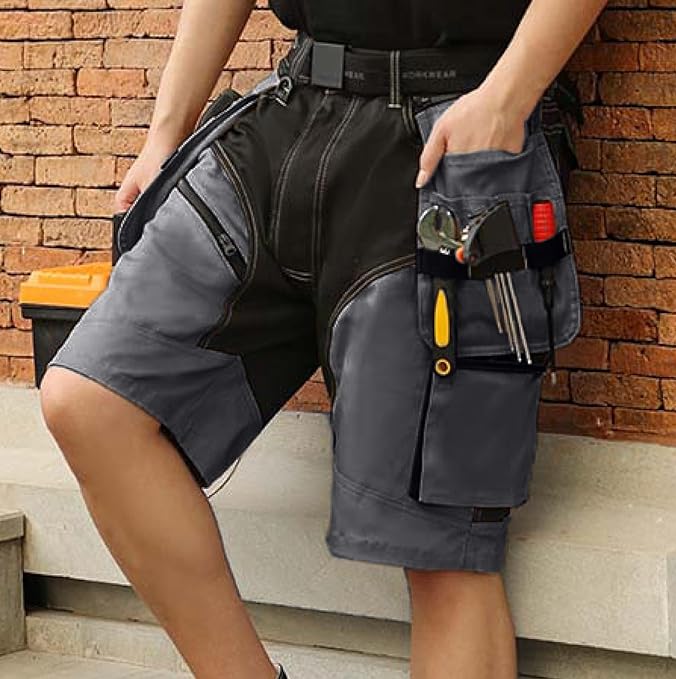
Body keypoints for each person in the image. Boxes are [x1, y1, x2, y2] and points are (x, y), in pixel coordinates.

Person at [38, 1, 605, 677]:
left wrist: (506, 97)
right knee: (90, 400)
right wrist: (166, 131)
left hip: (451, 136)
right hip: (291, 114)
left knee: (439, 546)